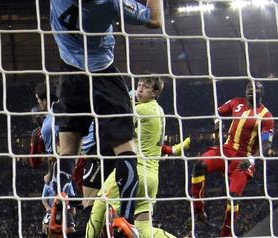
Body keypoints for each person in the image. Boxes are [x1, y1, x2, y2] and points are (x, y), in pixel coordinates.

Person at [0, 0, 163, 237]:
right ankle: (126, 220)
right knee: (124, 149)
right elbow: (155, 19)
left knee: (67, 148)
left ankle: (59, 207)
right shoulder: (110, 0)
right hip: (104, 76)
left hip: (70, 76)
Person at [85, 77, 182, 238]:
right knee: (145, 231)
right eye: (139, 85)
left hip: (133, 171)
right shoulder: (158, 110)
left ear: (155, 93)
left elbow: (115, 115)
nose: (140, 89)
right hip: (151, 178)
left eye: (146, 87)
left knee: (99, 206)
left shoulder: (140, 110)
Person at [191, 80, 274, 237]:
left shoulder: (266, 116)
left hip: (244, 159)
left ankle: (226, 235)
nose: (252, 90)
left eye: (256, 88)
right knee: (199, 164)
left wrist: (252, 160)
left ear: (262, 92)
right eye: (249, 87)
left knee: (233, 197)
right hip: (226, 150)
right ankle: (198, 209)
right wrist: (217, 123)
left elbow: (266, 145)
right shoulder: (236, 102)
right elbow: (218, 112)